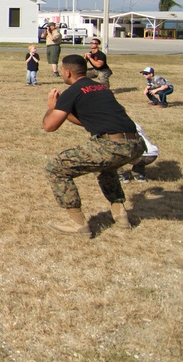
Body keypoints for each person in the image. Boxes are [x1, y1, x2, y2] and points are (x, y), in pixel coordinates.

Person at [41, 54, 146, 237]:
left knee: (56, 168)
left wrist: (52, 107)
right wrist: (62, 109)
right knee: (107, 167)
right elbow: (90, 121)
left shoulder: (72, 91)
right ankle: (121, 216)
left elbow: (49, 126)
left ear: (66, 72)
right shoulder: (101, 88)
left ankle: (78, 225)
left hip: (112, 145)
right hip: (135, 144)